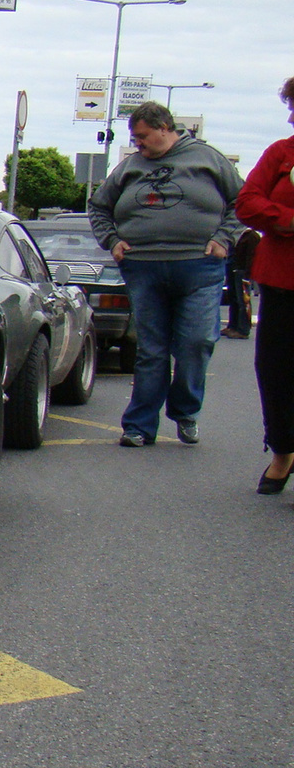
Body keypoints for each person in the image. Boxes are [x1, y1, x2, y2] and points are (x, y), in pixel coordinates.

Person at [88, 101, 243, 447]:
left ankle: (185, 410)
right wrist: (111, 240)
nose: (138, 144)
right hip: (143, 267)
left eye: (143, 137)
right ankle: (139, 425)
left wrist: (223, 238)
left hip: (199, 267)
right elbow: (98, 205)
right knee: (151, 350)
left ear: (163, 128)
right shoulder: (131, 166)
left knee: (196, 342)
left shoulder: (207, 159)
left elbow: (243, 200)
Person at [234, 76, 294, 493]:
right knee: (275, 370)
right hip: (283, 280)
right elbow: (247, 202)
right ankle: (284, 451)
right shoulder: (280, 153)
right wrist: (286, 220)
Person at [223, 228, 259, 339]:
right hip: (233, 267)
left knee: (243, 300)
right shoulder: (236, 234)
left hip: (242, 271)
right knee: (233, 298)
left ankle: (243, 329)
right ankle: (232, 325)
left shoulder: (251, 235)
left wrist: (248, 274)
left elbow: (252, 256)